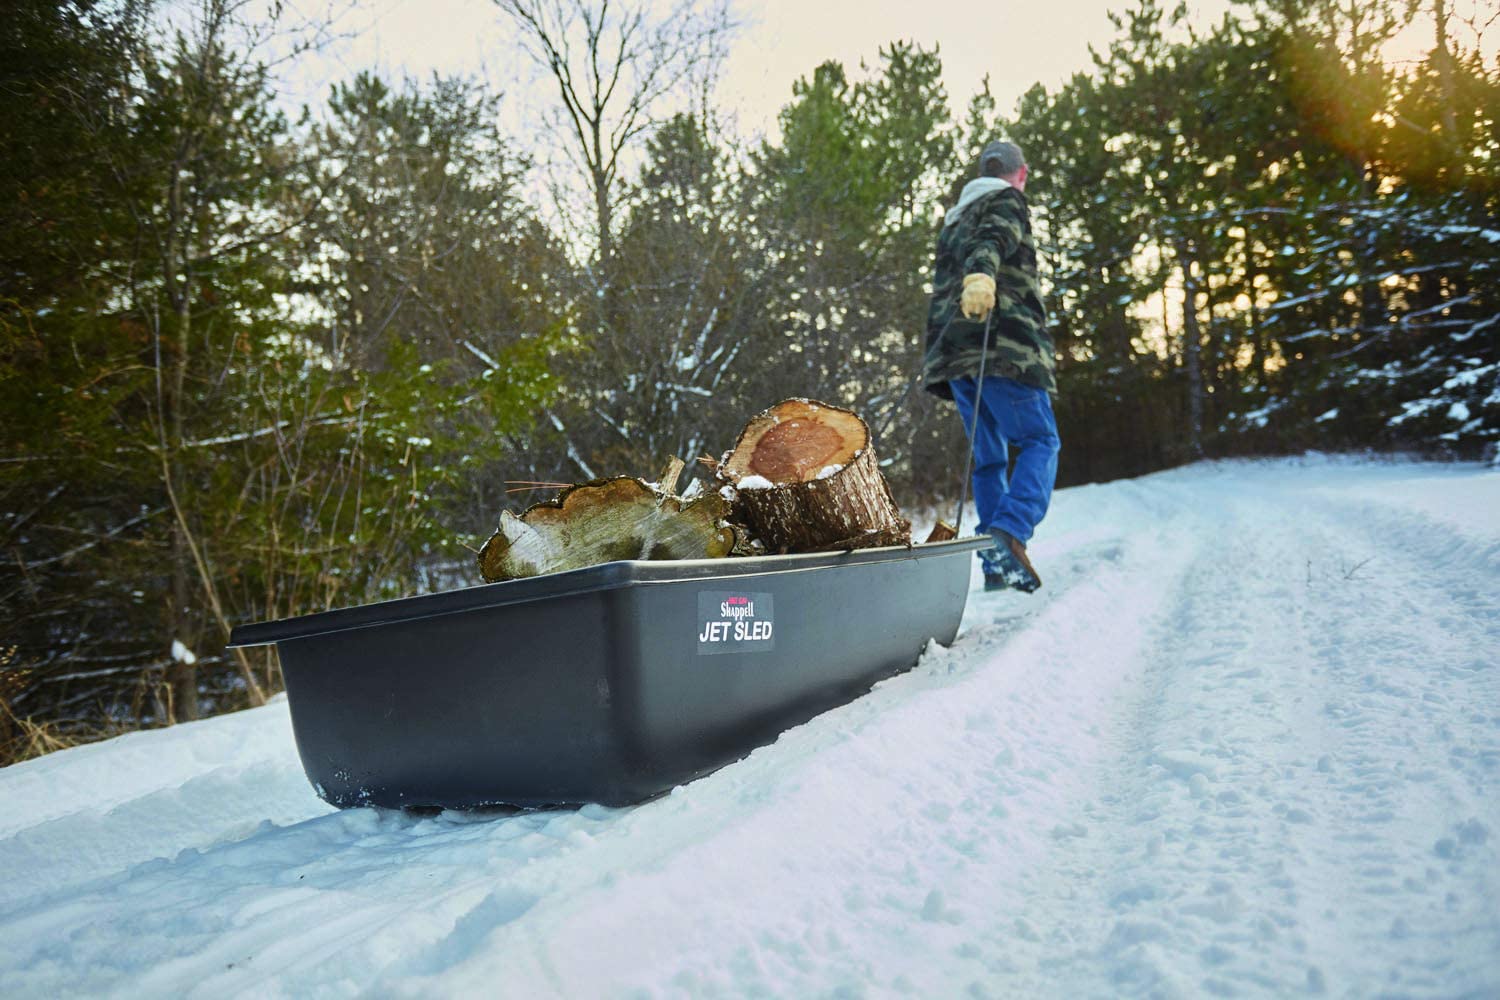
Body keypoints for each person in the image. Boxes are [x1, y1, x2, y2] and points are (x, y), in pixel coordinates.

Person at [922, 140, 1059, 593]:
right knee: (1040, 439)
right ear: (1020, 174)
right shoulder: (1006, 200)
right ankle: (1011, 532)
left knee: (989, 459)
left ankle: (996, 566)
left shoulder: (955, 217)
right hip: (1004, 347)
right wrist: (982, 275)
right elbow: (993, 240)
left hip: (958, 357)